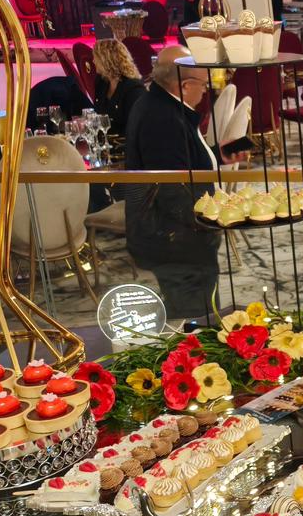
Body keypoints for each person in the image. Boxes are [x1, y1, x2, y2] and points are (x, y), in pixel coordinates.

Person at [122, 46, 221, 319]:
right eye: (203, 84)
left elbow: (182, 161)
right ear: (185, 86)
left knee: (200, 313)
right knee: (197, 319)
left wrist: (218, 154)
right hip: (178, 246)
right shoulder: (163, 119)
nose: (205, 91)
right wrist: (216, 218)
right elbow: (174, 193)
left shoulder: (158, 104)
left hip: (178, 240)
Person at [92, 38, 147, 141]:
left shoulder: (134, 89)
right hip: (104, 140)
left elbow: (137, 128)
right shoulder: (102, 82)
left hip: (125, 143)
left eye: (96, 58)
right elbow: (97, 114)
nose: (93, 61)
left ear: (106, 60)